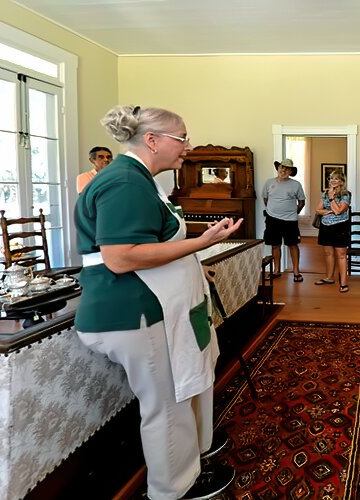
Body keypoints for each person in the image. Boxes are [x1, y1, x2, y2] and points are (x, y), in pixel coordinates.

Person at [74, 105, 240, 500]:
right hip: (135, 313)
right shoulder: (126, 182)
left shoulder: (143, 180)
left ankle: (195, 453)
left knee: (184, 389)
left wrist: (192, 264)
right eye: (182, 138)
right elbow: (120, 256)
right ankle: (174, 488)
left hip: (159, 307)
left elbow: (154, 243)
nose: (189, 146)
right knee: (167, 404)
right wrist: (201, 244)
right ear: (152, 141)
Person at [262, 159, 306, 282]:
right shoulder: (268, 182)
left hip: (290, 220)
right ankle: (276, 270)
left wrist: (293, 213)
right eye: (282, 167)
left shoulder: (296, 184)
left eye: (287, 168)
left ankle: (296, 271)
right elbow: (266, 199)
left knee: (293, 245)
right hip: (272, 219)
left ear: (291, 171)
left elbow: (301, 202)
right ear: (278, 168)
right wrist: (273, 211)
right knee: (275, 245)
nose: (284, 170)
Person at [314, 171, 351, 292]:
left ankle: (344, 283)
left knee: (341, 255)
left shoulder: (346, 195)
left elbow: (339, 211)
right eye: (331, 178)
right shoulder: (324, 193)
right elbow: (318, 210)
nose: (332, 181)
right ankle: (329, 277)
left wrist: (331, 198)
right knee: (328, 254)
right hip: (326, 226)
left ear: (341, 181)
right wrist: (329, 211)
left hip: (340, 227)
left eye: (336, 179)